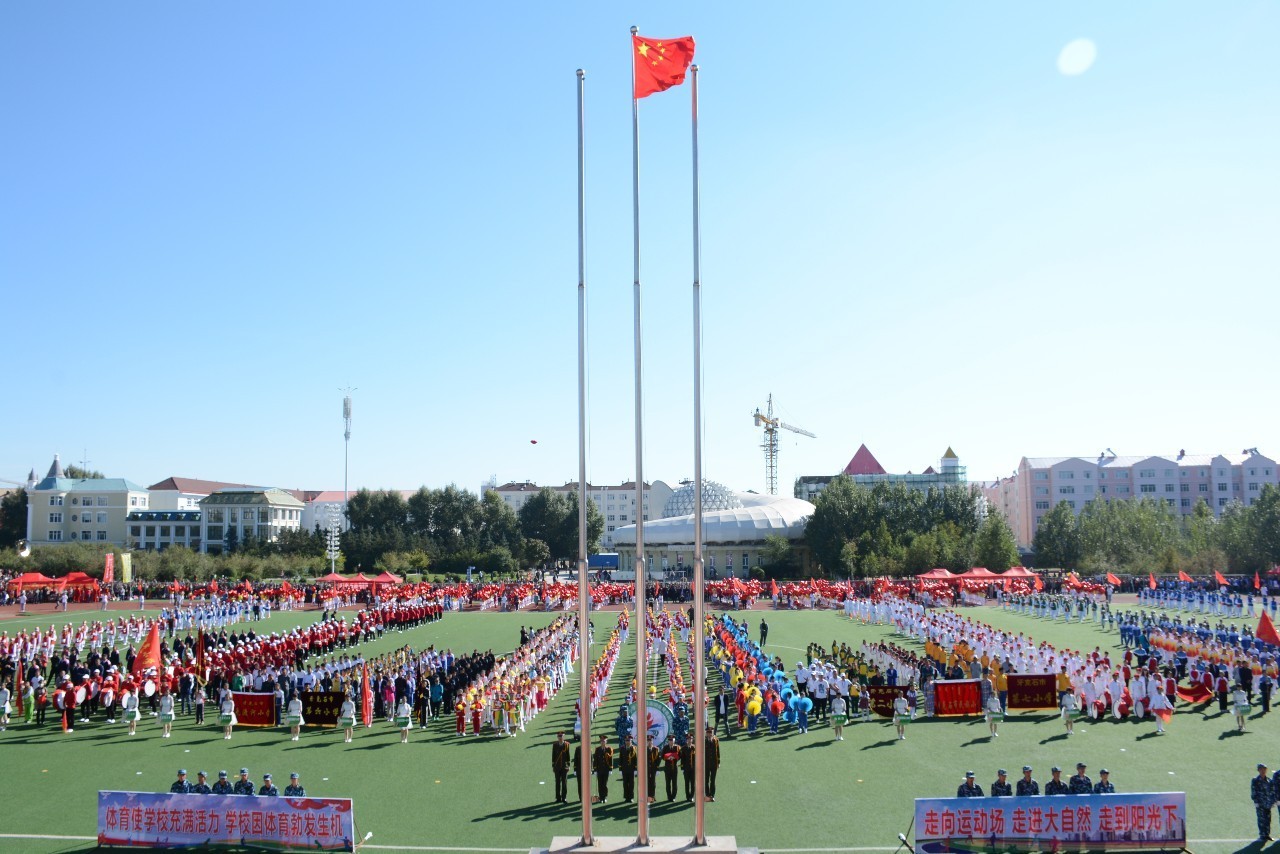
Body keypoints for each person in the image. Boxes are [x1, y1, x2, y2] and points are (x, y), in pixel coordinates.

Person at [1251, 763, 1274, 842]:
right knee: (1261, 820)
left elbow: (1272, 791)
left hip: (1268, 803)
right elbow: (1254, 791)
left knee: (1268, 819)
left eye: (1264, 769)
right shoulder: (1255, 780)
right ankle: (1262, 835)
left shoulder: (1269, 780)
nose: (1263, 770)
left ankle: (1267, 835)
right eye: (1261, 769)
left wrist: (1272, 801)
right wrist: (1255, 801)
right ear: (1258, 770)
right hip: (1260, 804)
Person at [592, 734, 613, 804]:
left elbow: (610, 759)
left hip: (606, 769)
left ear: (606, 741)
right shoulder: (597, 749)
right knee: (600, 784)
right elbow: (595, 760)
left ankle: (605, 797)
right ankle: (601, 798)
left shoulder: (609, 749)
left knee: (605, 784)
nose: (602, 742)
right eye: (601, 741)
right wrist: (594, 769)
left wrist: (610, 769)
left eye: (604, 741)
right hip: (599, 769)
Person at [551, 731, 571, 803]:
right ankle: (558, 798)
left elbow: (568, 755)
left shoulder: (567, 745)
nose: (560, 737)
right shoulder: (555, 745)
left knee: (564, 783)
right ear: (557, 737)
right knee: (557, 783)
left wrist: (568, 765)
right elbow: (553, 755)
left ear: (564, 736)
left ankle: (564, 797)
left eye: (561, 736)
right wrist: (553, 765)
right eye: (559, 736)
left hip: (564, 767)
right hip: (557, 767)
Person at [661, 735, 681, 802]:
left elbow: (680, 755)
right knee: (668, 783)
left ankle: (673, 796)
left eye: (672, 740)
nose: (671, 741)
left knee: (674, 783)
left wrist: (675, 758)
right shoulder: (665, 747)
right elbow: (662, 756)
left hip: (674, 768)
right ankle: (669, 796)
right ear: (668, 741)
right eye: (669, 740)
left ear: (674, 740)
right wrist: (667, 758)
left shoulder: (677, 747)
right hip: (667, 768)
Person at [619, 733, 638, 803]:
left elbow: (636, 759)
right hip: (624, 769)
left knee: (631, 784)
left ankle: (631, 797)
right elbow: (620, 759)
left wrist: (636, 769)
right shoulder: (622, 748)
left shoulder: (634, 748)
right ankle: (626, 797)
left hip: (632, 769)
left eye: (629, 740)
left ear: (631, 741)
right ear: (625, 741)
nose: (627, 742)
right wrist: (620, 769)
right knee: (625, 783)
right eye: (626, 740)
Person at [703, 726, 720, 802]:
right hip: (706, 764)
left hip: (714, 764)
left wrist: (718, 762)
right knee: (706, 780)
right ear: (706, 733)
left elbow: (718, 752)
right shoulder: (703, 741)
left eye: (711, 733)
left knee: (712, 780)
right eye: (708, 733)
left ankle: (712, 795)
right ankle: (707, 795)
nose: (710, 734)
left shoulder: (716, 740)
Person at [681, 736, 697, 802]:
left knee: (693, 783)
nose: (689, 740)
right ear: (686, 740)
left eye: (690, 739)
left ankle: (692, 796)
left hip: (693, 769)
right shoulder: (683, 748)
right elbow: (682, 759)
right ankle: (687, 796)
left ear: (692, 740)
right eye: (688, 739)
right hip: (686, 769)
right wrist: (682, 768)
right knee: (687, 783)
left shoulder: (695, 747)